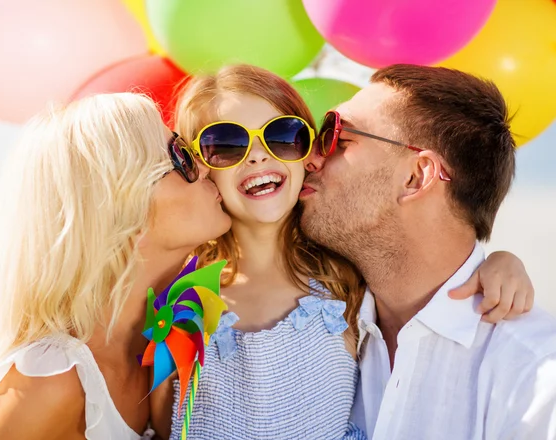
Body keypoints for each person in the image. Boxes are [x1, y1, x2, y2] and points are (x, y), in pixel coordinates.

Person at [150, 64, 535, 440]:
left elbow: (419, 261)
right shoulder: (179, 300)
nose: (257, 156)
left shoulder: (345, 282)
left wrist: (499, 262)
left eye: (284, 135)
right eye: (225, 145)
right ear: (199, 167)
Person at [300, 64, 556, 440]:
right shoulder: (311, 324)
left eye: (338, 136)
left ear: (416, 177)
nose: (311, 158)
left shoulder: (536, 379)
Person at [0, 93, 231, 439]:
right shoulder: (51, 379)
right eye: (182, 156)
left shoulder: (155, 349)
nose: (206, 167)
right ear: (123, 206)